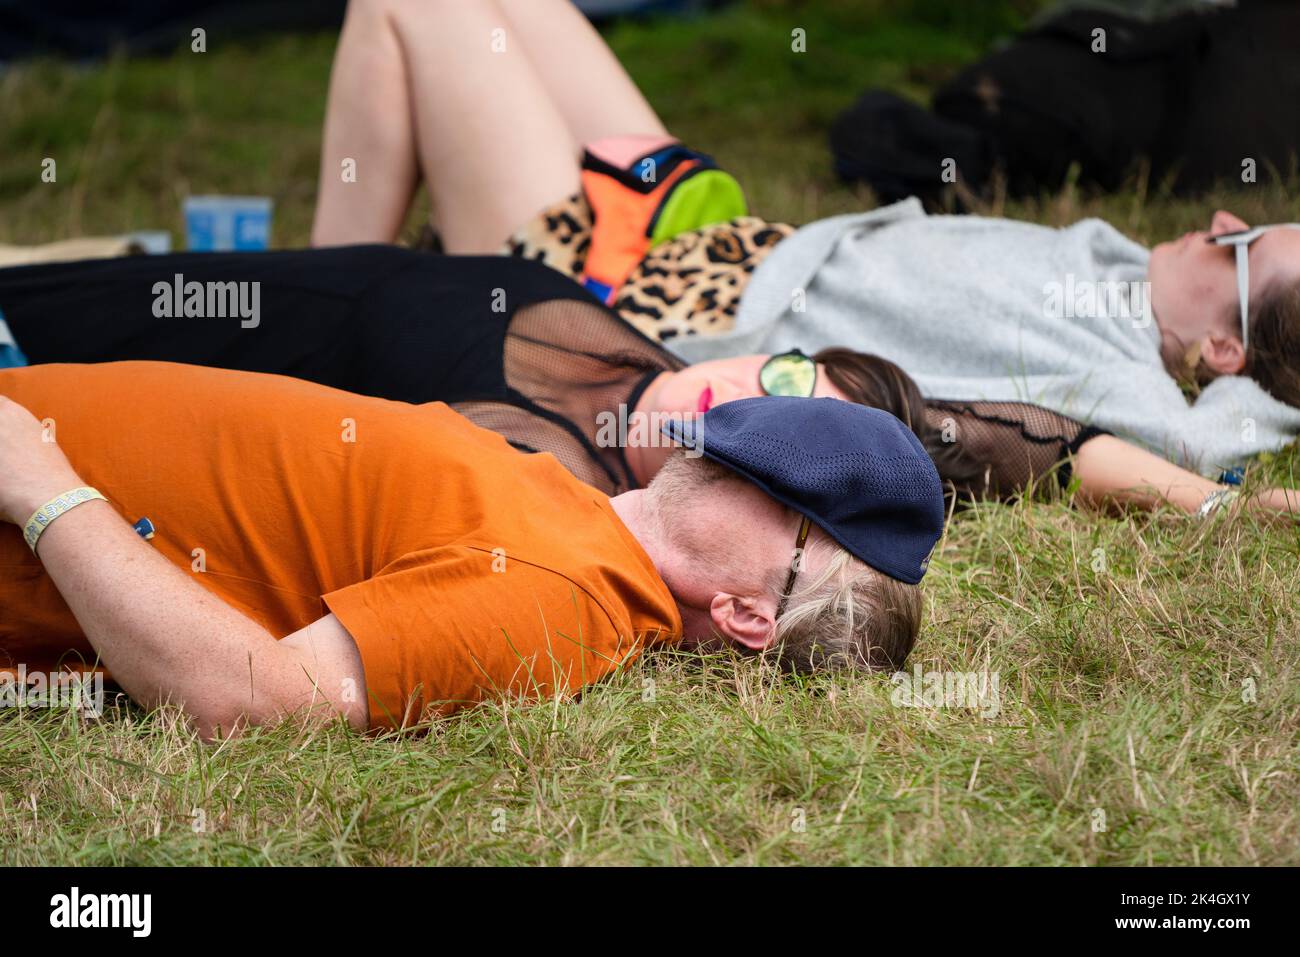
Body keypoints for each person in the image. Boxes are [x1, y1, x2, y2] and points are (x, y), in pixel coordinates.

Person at [309, 0, 1300, 479]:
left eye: (1240, 242)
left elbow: (1218, 439)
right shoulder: (1117, 264)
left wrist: (1244, 458)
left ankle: (309, 334)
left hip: (642, 295)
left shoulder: (1114, 379)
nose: (1218, 220)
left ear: (1222, 352)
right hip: (724, 234)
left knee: (412, 6)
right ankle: (339, 294)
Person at [0, 361, 944, 737]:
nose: (739, 454)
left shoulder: (557, 601)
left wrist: (44, 490)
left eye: (785, 498)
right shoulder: (569, 507)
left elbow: (253, 702)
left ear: (749, 613)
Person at [5, 248, 1296, 518]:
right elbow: (1055, 448)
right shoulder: (684, 362)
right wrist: (1236, 514)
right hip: (140, 282)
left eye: (755, 434)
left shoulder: (529, 476)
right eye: (783, 376)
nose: (725, 397)